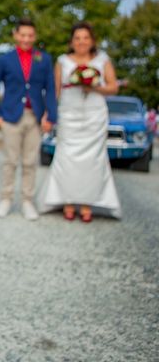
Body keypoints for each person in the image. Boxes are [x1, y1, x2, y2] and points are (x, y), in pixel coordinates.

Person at [37, 22, 121, 221]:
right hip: (69, 114)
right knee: (66, 157)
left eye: (85, 38)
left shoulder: (102, 60)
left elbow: (113, 87)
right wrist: (48, 114)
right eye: (77, 38)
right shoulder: (63, 61)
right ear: (71, 41)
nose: (81, 41)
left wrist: (93, 87)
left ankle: (86, 204)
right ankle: (67, 201)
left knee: (94, 159)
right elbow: (55, 91)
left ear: (92, 41)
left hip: (95, 114)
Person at [0, 18, 57, 220]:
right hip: (11, 117)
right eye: (23, 35)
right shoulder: (5, 59)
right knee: (10, 161)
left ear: (34, 37)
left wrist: (51, 116)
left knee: (30, 161)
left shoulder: (43, 59)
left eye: (30, 35)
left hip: (34, 117)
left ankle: (27, 201)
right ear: (16, 35)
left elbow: (50, 90)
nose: (26, 39)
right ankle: (6, 199)